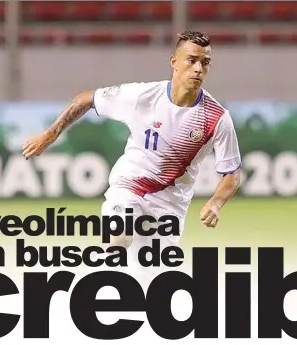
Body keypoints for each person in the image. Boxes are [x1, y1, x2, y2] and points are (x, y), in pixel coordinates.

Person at [21, 30, 242, 283]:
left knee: (148, 282)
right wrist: (49, 134)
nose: (198, 68)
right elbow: (87, 99)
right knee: (118, 239)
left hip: (170, 206)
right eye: (191, 60)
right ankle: (88, 292)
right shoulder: (142, 97)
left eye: (205, 62)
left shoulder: (217, 117)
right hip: (129, 187)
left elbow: (231, 174)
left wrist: (215, 202)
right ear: (174, 62)